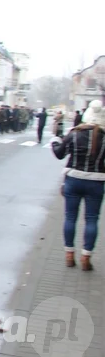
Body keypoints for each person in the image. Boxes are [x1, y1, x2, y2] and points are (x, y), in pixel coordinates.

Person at [51, 100, 105, 271]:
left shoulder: (74, 133)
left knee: (70, 217)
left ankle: (69, 255)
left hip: (73, 180)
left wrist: (54, 140)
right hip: (96, 182)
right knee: (92, 219)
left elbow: (59, 154)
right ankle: (86, 256)